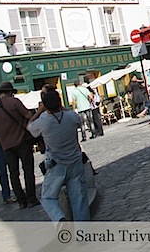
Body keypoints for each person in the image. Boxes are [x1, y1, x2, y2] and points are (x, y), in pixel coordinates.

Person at [28, 89, 90, 223]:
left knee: (48, 198)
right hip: (75, 162)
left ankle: (59, 218)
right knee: (79, 200)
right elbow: (78, 120)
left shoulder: (43, 122)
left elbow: (30, 127)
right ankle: (83, 233)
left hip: (57, 165)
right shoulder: (71, 116)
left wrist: (39, 111)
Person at [0, 81, 38, 209]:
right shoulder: (14, 102)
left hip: (6, 145)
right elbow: (28, 115)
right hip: (21, 141)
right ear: (10, 92)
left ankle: (21, 201)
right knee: (28, 170)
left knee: (13, 173)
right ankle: (31, 198)